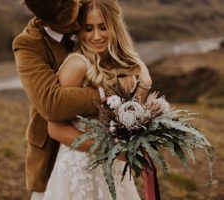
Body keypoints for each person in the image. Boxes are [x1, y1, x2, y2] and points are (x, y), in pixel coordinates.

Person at [12, 0, 152, 199]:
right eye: (85, 27)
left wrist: (142, 75)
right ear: (44, 21)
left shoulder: (88, 8)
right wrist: (109, 93)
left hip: (108, 161)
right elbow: (52, 106)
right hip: (69, 155)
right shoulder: (29, 45)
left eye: (102, 27)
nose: (76, 26)